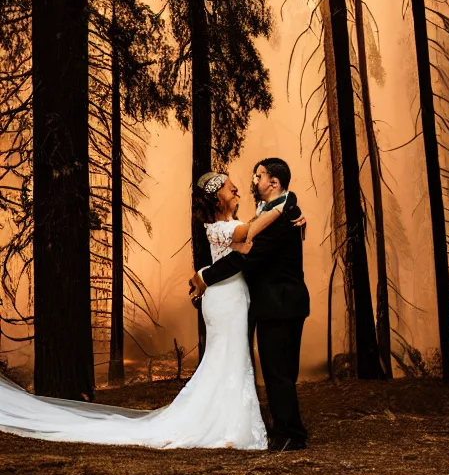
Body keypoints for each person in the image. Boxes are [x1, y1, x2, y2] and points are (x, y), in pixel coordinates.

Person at [0, 171, 303, 450]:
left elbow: (243, 255)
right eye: (230, 187)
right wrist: (282, 206)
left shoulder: (225, 227)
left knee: (229, 359)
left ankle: (229, 420)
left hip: (230, 297)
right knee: (229, 357)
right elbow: (250, 234)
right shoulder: (225, 228)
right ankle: (228, 425)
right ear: (217, 197)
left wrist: (290, 218)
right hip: (226, 300)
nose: (237, 190)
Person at [191, 158, 310, 452]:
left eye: (259, 176)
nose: (252, 183)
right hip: (263, 302)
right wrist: (288, 204)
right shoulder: (268, 214)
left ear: (274, 183)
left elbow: (247, 257)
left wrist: (204, 275)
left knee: (278, 371)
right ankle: (279, 429)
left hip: (280, 303)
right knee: (273, 370)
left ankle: (289, 435)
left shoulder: (281, 216)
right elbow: (247, 242)